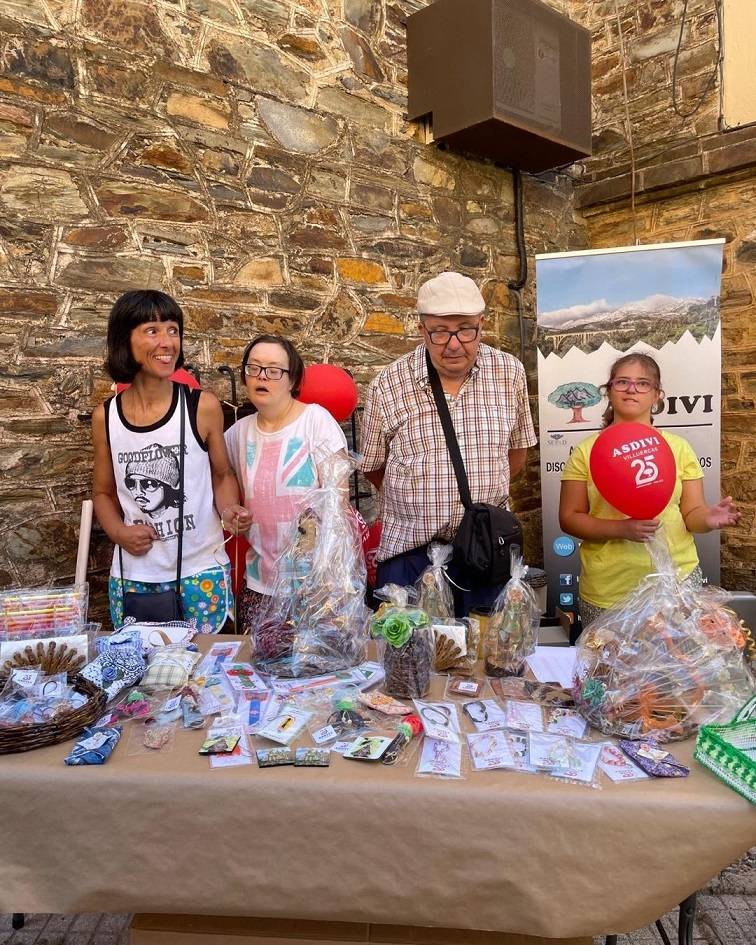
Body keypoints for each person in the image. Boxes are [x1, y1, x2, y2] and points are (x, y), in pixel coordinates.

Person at [361, 271, 537, 616]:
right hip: (410, 557)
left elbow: (516, 454)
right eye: (440, 331)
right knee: (408, 665)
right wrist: (417, 500)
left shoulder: (509, 373)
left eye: (465, 329)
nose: (454, 343)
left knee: (487, 659)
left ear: (482, 324)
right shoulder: (389, 383)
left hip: (487, 554)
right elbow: (373, 466)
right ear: (421, 329)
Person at [92, 290, 250, 633]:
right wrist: (120, 533)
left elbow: (222, 475)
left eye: (173, 329)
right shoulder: (106, 417)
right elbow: (102, 493)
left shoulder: (202, 406)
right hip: (136, 576)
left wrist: (229, 511)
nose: (167, 342)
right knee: (147, 680)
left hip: (203, 571)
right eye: (152, 330)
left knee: (209, 675)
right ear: (125, 340)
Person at [559, 352, 740, 626]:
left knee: (677, 666)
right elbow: (569, 517)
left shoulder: (678, 448)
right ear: (609, 391)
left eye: (643, 383)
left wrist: (708, 519)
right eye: (622, 382)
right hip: (609, 591)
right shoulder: (587, 452)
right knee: (611, 668)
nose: (632, 389)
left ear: (657, 395)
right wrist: (622, 529)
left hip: (676, 584)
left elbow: (692, 513)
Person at [224, 334, 348, 633]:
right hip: (260, 583)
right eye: (254, 368)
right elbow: (221, 480)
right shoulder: (238, 434)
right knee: (258, 669)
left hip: (314, 586)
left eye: (274, 370)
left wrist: (327, 579)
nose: (262, 376)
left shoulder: (316, 422)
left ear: (293, 380)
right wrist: (231, 510)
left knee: (314, 673)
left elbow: (337, 503)